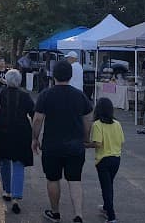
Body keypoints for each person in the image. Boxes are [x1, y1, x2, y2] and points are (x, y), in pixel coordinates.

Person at [32, 60, 93, 223]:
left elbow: (38, 119)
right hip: (75, 145)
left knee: (53, 179)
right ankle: (78, 215)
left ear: (54, 75)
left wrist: (34, 139)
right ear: (70, 75)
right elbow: (88, 118)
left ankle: (55, 212)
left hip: (52, 145)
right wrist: (86, 138)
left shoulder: (46, 94)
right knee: (75, 180)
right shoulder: (80, 95)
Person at [0, 69, 35, 215]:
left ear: (6, 80)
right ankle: (16, 198)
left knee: (4, 161)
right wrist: (36, 135)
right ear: (19, 81)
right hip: (21, 133)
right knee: (18, 164)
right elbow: (34, 114)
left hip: (2, 133)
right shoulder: (25, 96)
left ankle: (7, 191)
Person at [87, 98, 125, 223]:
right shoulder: (117, 124)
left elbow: (97, 144)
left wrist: (86, 145)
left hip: (103, 160)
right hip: (116, 159)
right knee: (109, 185)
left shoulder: (97, 124)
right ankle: (105, 207)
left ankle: (111, 216)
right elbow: (122, 142)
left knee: (106, 188)